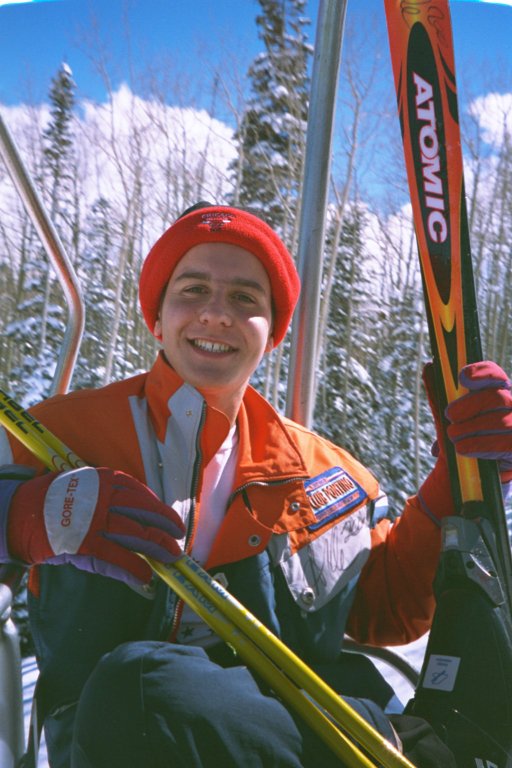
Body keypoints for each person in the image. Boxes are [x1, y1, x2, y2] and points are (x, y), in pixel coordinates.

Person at [1, 202, 511, 768]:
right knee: (142, 689)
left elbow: (387, 608)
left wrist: (456, 477)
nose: (216, 314)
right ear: (157, 318)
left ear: (272, 333)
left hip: (286, 734)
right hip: (114, 736)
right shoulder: (58, 434)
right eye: (192, 289)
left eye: (245, 298)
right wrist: (19, 515)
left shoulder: (322, 473)